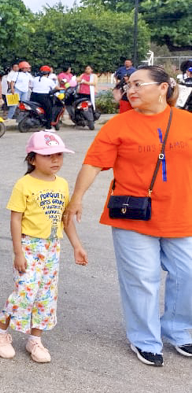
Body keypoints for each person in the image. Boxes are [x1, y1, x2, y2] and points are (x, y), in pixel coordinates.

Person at [64, 66, 192, 368]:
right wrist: (77, 198)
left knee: (188, 274)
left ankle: (178, 329)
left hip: (180, 213)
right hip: (132, 215)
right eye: (127, 85)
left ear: (163, 88)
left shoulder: (187, 122)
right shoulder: (118, 125)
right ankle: (145, 340)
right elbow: (93, 164)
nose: (130, 90)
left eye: (138, 84)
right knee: (142, 279)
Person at [0, 132, 88, 364]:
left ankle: (35, 338)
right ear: (32, 159)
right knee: (25, 290)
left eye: (59, 155)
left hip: (52, 248)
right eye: (48, 155)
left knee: (46, 296)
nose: (56, 160)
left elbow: (64, 219)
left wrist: (77, 246)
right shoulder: (24, 184)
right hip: (30, 246)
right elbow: (16, 219)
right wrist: (18, 251)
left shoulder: (62, 184)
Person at [29, 65, 58, 131]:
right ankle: (48, 127)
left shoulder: (35, 79)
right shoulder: (49, 80)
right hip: (43, 97)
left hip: (33, 96)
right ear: (48, 73)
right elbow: (55, 88)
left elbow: (31, 86)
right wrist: (62, 88)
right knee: (49, 110)